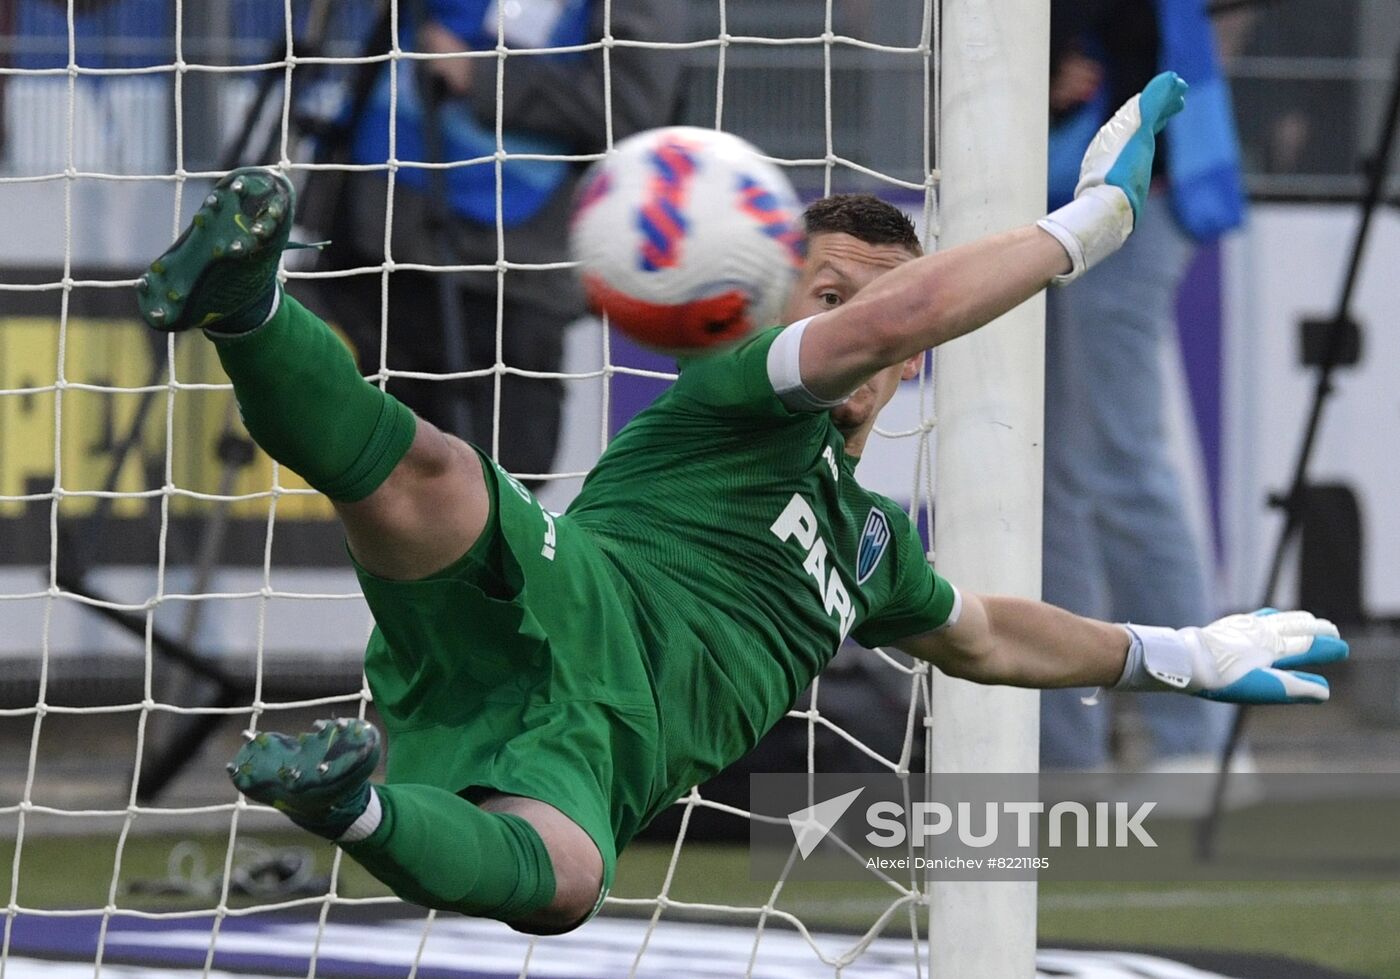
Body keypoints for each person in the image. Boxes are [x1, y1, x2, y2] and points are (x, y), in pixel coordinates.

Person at [133, 73, 1344, 935]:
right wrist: (1093, 221)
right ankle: (246, 306)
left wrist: (1178, 654)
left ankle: (349, 803)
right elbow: (900, 312)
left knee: (560, 882)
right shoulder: (737, 393)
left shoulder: (872, 548)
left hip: (597, 749)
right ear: (769, 308)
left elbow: (986, 634)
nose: (852, 329)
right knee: (437, 473)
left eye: (869, 313)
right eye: (818, 296)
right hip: (559, 592)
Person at [312, 0, 683, 477]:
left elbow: (629, 110)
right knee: (385, 475)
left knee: (504, 475)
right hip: (379, 238)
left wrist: (478, 75)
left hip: (508, 269)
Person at [1041, 1, 1249, 773]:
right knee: (1042, 479)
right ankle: (1059, 755)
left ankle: (1194, 746)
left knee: (1119, 466)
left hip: (1133, 189)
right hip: (1036, 187)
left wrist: (1057, 42)